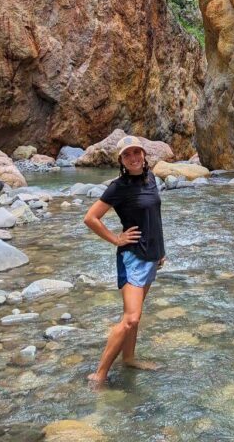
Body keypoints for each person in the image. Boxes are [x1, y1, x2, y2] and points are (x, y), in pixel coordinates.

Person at [83, 135, 166, 383]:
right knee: (130, 318)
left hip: (151, 256)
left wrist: (160, 250)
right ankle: (99, 375)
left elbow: (154, 217)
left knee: (135, 315)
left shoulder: (150, 178)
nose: (133, 158)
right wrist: (116, 239)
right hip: (132, 258)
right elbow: (90, 218)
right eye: (127, 155)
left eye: (136, 152)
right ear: (120, 159)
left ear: (143, 154)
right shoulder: (118, 187)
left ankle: (128, 359)